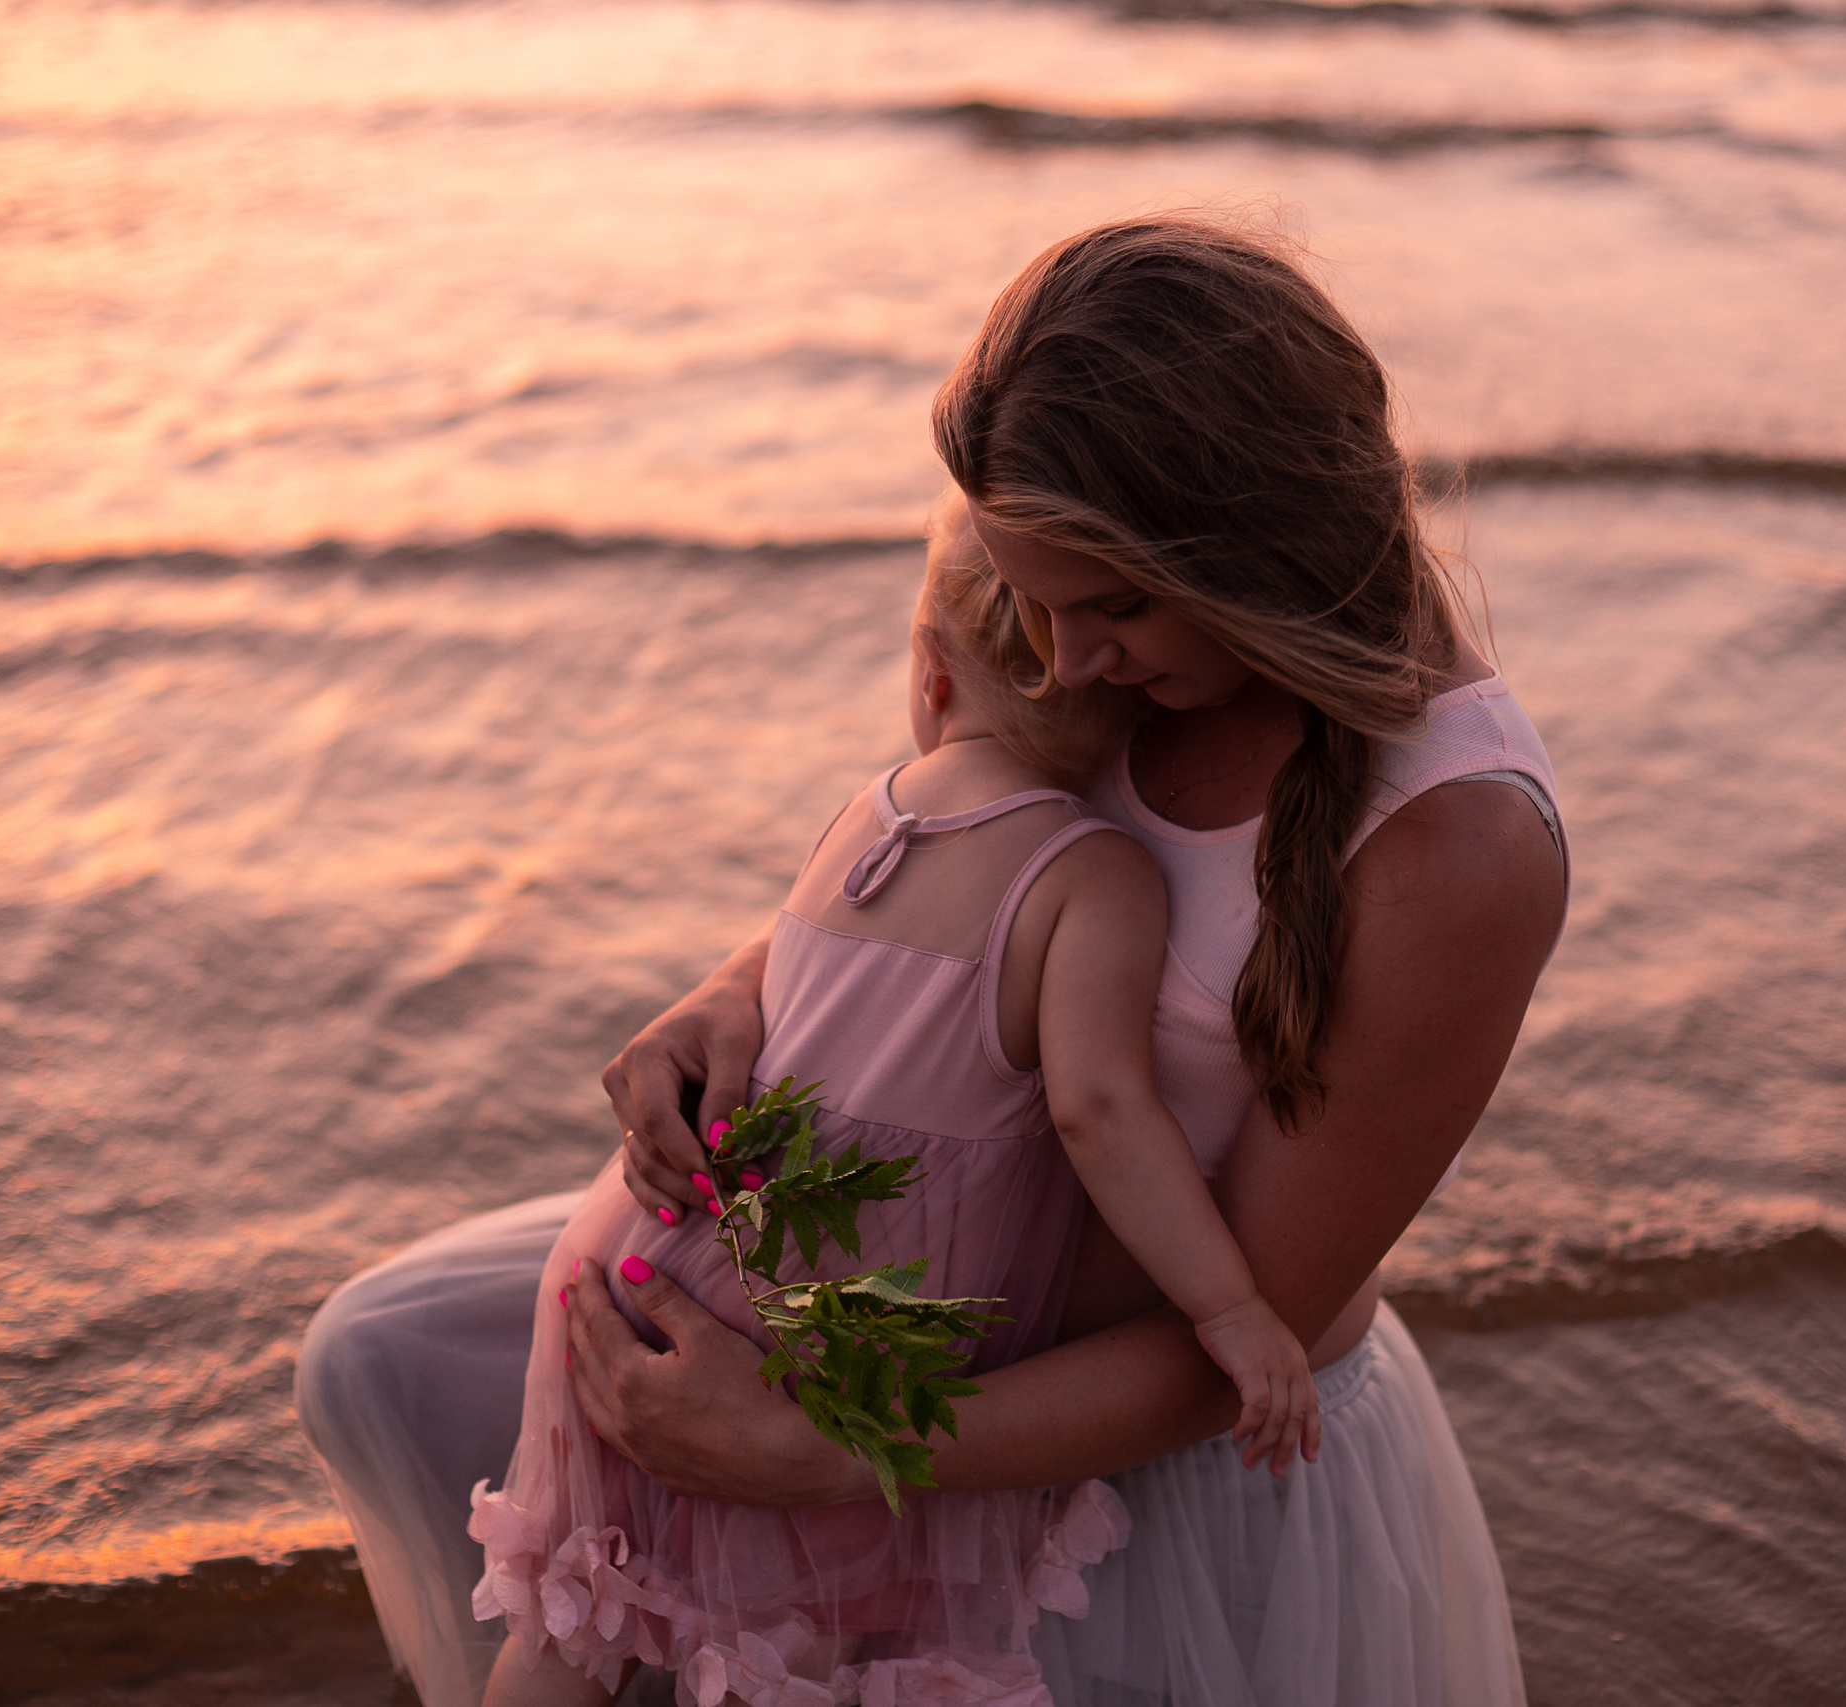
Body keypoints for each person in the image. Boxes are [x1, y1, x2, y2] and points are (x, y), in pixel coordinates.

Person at [301, 213, 1566, 1707]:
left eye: (1108, 608)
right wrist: (723, 998)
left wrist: (819, 1446)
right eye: (1036, 600)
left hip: (1111, 1436)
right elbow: (939, 866)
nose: (1068, 660)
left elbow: (1234, 1332)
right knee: (374, 1356)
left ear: (1246, 540)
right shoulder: (1118, 625)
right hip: (890, 1286)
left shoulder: (1457, 845)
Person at [471, 500, 1321, 1707]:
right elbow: (1099, 1110)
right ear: (1131, 706)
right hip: (818, 1320)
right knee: (791, 1650)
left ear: (930, 674)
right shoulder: (1091, 875)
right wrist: (1232, 1308)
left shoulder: (863, 813)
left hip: (641, 1254)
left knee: (579, 1618)